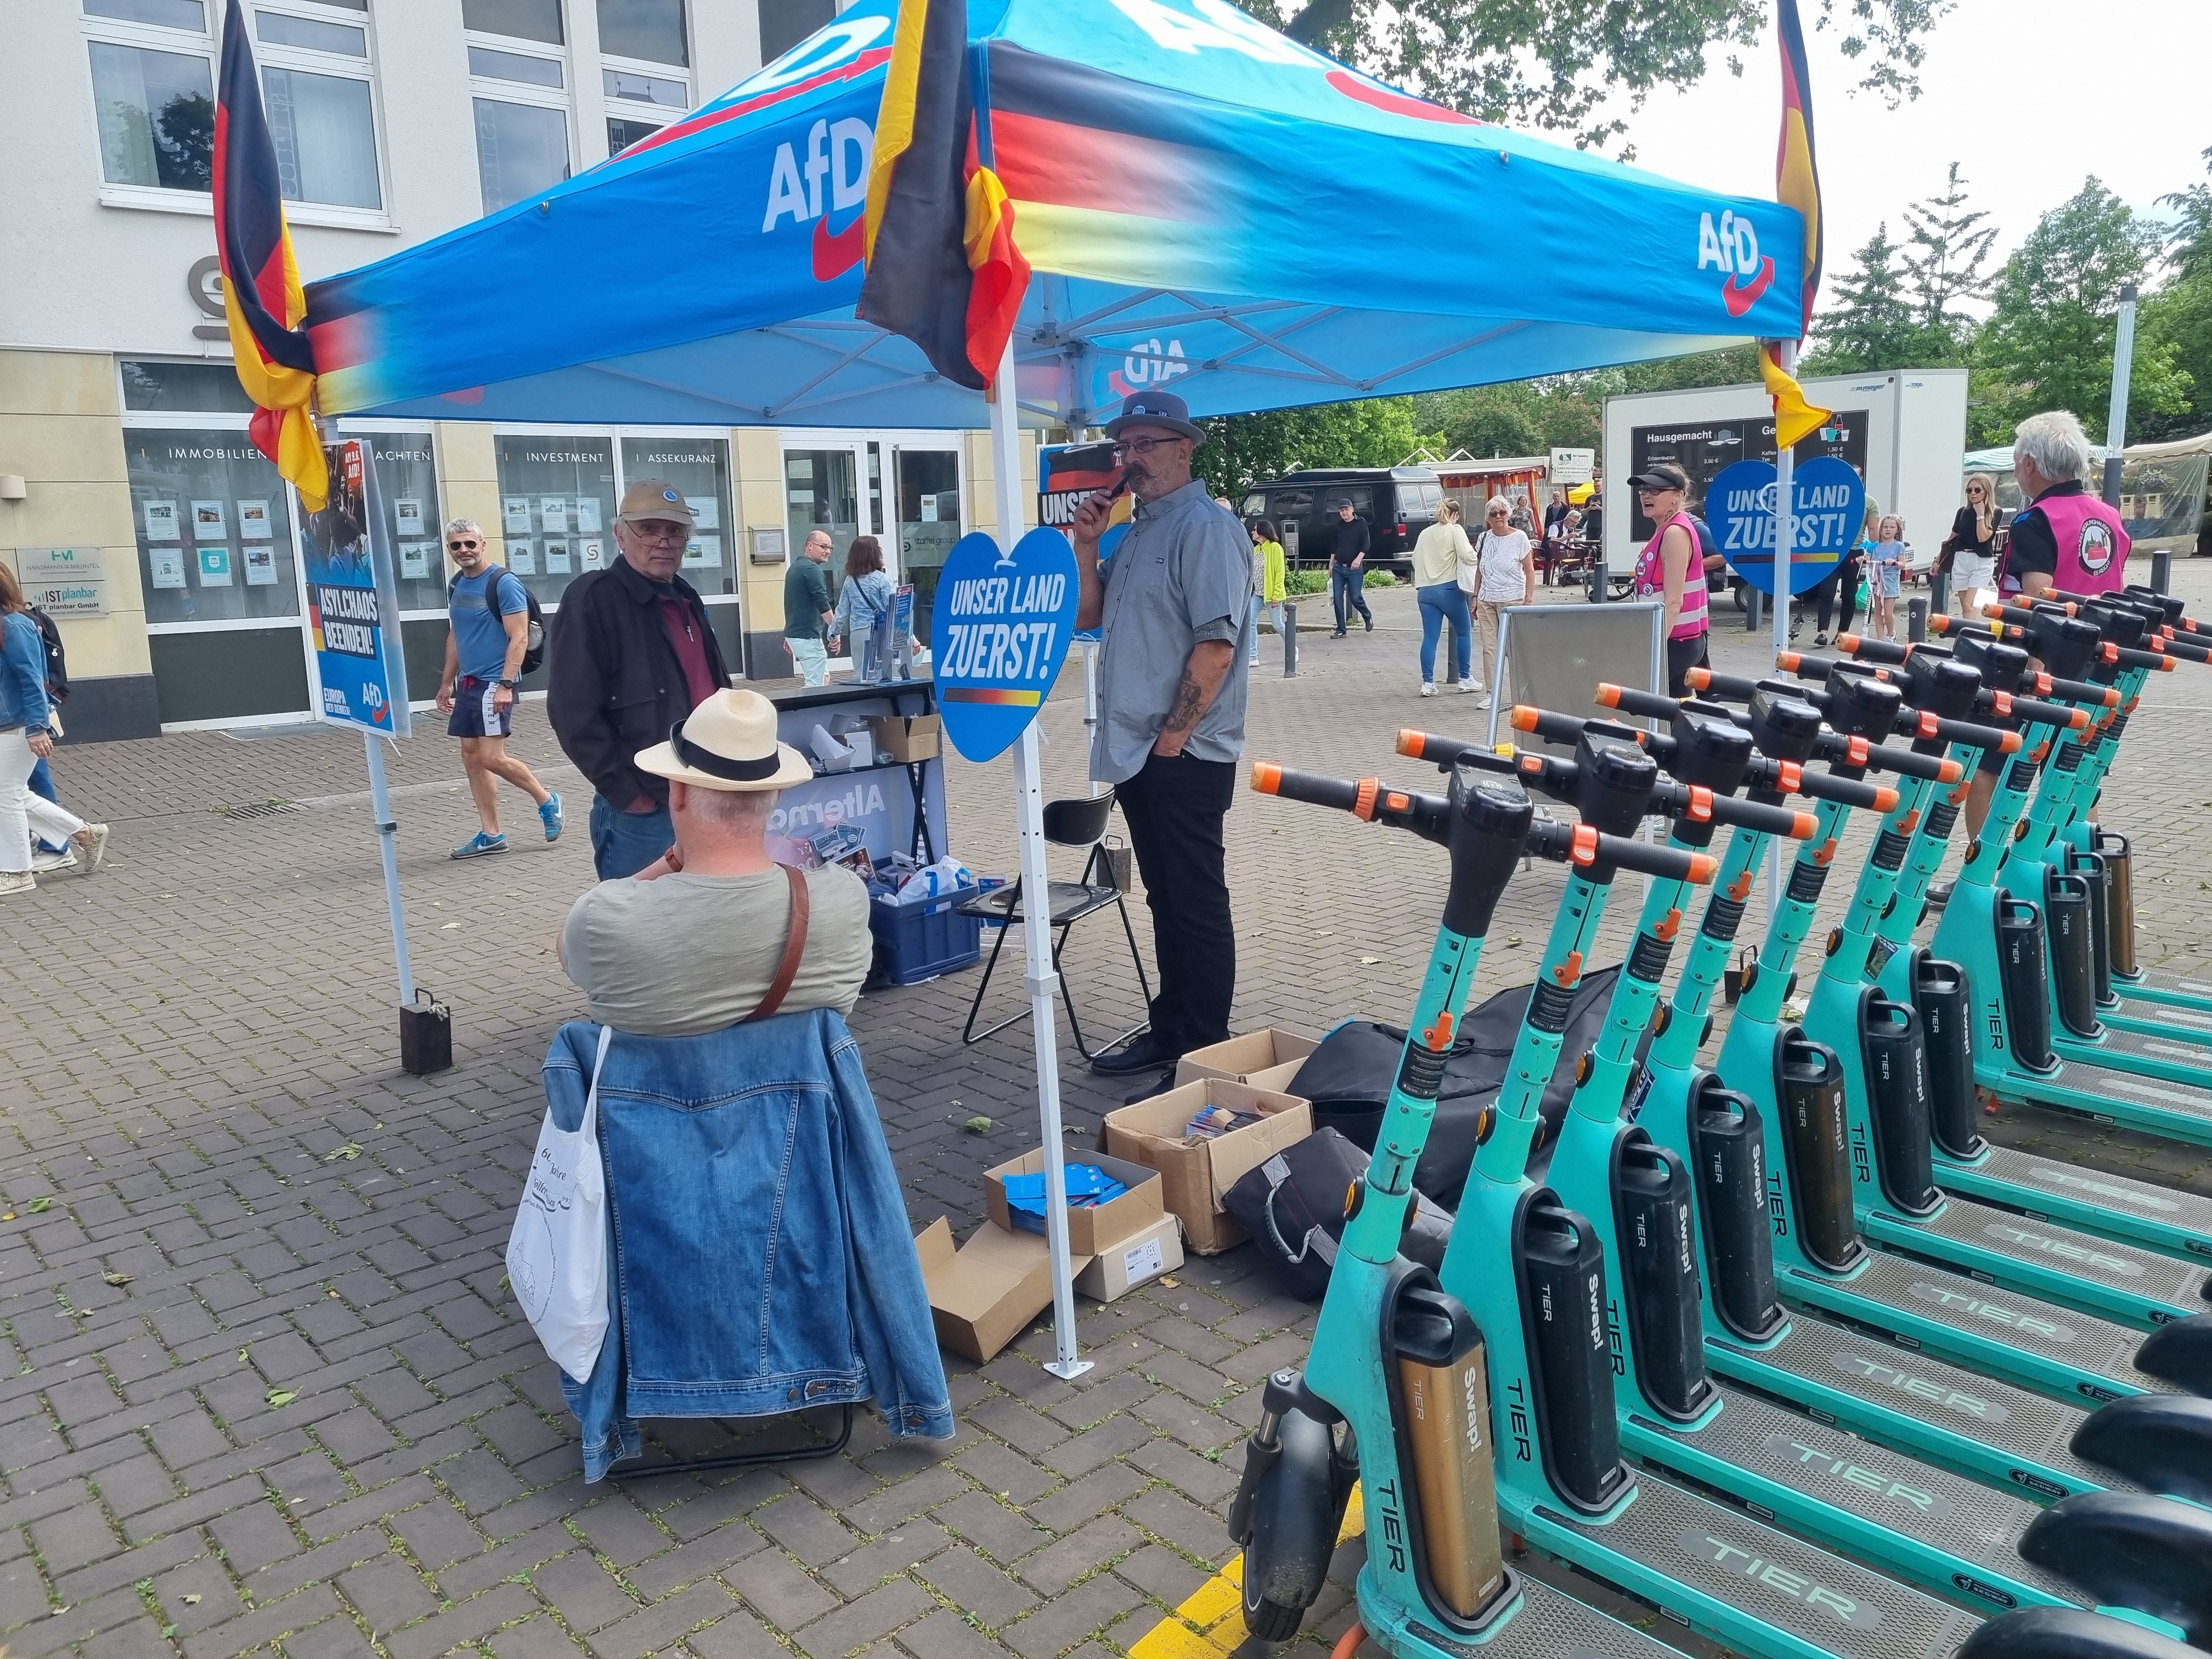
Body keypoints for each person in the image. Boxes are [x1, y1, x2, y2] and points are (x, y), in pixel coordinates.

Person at [1070, 390, 1252, 1099]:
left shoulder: (1204, 528)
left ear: (1185, 449)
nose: (1132, 459)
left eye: (1147, 445)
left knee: (1195, 902)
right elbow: (1090, 615)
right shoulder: (1139, 529)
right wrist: (1086, 545)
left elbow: (1216, 647)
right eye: (1126, 447)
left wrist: (1173, 741)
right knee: (1167, 900)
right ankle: (1172, 1031)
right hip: (1139, 750)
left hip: (1182, 753)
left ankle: (1202, 1052)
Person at [559, 689, 872, 1035]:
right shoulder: (845, 898)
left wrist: (672, 860)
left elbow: (568, 953)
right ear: (778, 793)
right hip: (805, 1090)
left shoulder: (604, 919)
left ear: (676, 792)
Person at [1953, 409, 2134, 849]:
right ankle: (2082, 867)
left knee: (1983, 769)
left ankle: (1985, 877)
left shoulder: (2036, 520)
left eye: (2017, 462)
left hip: (2039, 667)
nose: (2017, 470)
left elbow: (2039, 600)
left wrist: (2036, 676)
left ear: (2030, 464)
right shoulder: (2108, 516)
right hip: (2098, 664)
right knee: (2074, 773)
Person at [548, 479, 731, 881]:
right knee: (634, 933)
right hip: (644, 809)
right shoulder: (594, 598)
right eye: (648, 529)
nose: (663, 541)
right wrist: (630, 795)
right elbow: (571, 710)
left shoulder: (685, 597)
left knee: (694, 924)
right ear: (620, 535)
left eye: (675, 530)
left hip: (704, 796)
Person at [435, 518, 561, 859]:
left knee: (492, 758)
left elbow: (519, 637)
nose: (464, 551)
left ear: (482, 543)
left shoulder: (503, 584)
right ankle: (491, 835)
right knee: (472, 758)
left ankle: (548, 801)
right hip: (469, 684)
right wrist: (447, 682)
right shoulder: (457, 584)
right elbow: (457, 636)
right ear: (449, 549)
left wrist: (506, 685)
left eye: (469, 544)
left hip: (495, 682)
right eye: (456, 545)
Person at [1, 563, 106, 896]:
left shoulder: (15, 626)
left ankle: (18, 871)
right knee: (17, 794)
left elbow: (31, 680)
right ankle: (85, 834)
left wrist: (36, 727)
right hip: (8, 722)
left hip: (19, 724)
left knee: (5, 795)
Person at [1627, 463, 1709, 696]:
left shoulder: (1674, 532)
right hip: (1680, 640)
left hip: (1675, 641)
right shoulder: (1666, 528)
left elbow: (1674, 602)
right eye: (1643, 490)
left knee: (1650, 708)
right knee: (1675, 714)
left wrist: (1654, 647)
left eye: (1656, 490)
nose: (1646, 496)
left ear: (1678, 496)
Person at [1473, 496, 1537, 708]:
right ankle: (1493, 693)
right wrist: (1475, 597)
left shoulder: (1519, 538)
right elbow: (1479, 570)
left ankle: (1525, 692)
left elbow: (1530, 570)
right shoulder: (1484, 538)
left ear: (1509, 515)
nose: (1498, 517)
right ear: (1488, 518)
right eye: (1493, 514)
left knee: (1515, 648)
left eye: (1502, 513)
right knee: (1489, 648)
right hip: (1486, 600)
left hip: (1512, 600)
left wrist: (1528, 600)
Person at [1410, 498, 1477, 697]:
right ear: (1455, 515)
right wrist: (1479, 557)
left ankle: (1428, 682)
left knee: (1430, 637)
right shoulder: (1454, 529)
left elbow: (1415, 559)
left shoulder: (1425, 533)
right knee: (1464, 632)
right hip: (1448, 588)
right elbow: (1466, 555)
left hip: (1425, 591)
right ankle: (1465, 678)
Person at [1811, 504, 1875, 647]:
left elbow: (1873, 530)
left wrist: (1872, 552)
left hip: (1855, 551)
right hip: (1832, 550)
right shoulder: (1835, 498)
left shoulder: (1869, 503)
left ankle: (1842, 632)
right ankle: (1823, 632)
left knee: (1849, 594)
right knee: (1827, 590)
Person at [833, 535, 895, 681]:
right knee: (884, 675)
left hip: (858, 632)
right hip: (882, 632)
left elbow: (842, 611)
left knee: (861, 675)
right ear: (875, 555)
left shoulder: (850, 581)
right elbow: (893, 611)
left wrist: (833, 634)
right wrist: (911, 638)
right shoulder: (882, 580)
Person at [1938, 476, 2002, 614]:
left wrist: (1980, 515)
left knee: (1970, 603)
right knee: (1965, 606)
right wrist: (1938, 559)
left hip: (1981, 561)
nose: (1973, 493)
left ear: (1986, 491)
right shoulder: (1963, 512)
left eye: (1977, 490)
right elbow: (1952, 537)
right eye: (1969, 490)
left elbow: (1983, 538)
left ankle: (1971, 634)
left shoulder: (1995, 512)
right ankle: (1969, 631)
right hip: (1961, 558)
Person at [783, 530, 839, 686]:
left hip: (799, 635)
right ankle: (799, 710)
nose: (827, 551)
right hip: (806, 636)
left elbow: (792, 603)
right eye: (823, 546)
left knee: (823, 679)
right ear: (809, 546)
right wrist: (836, 630)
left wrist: (790, 635)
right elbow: (822, 603)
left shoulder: (795, 568)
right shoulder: (811, 570)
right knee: (815, 685)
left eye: (830, 548)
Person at [1326, 498, 1373, 636]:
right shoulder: (1337, 527)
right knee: (1338, 599)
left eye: (1347, 509)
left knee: (1355, 597)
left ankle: (1367, 615)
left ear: (1352, 510)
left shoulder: (1361, 523)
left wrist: (1358, 559)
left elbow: (1366, 543)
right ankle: (1341, 629)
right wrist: (1331, 564)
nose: (1344, 512)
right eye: (1342, 510)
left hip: (1354, 569)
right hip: (1339, 568)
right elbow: (1334, 547)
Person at [1252, 518, 1288, 665]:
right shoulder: (1256, 550)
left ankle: (1292, 647)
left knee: (1277, 624)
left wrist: (1276, 595)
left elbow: (1280, 573)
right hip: (1258, 594)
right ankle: (1253, 656)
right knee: (1250, 622)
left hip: (1271, 594)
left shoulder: (1275, 548)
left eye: (1255, 529)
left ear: (1262, 531)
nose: (1252, 532)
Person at [1867, 514, 1906, 641]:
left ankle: (1891, 634)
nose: (1888, 530)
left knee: (1888, 612)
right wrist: (1861, 560)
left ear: (1897, 530)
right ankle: (1880, 639)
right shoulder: (1875, 546)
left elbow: (1902, 564)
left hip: (1891, 579)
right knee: (1878, 611)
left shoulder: (1899, 546)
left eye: (1892, 527)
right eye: (1885, 527)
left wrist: (1894, 563)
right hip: (1877, 580)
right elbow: (1868, 560)